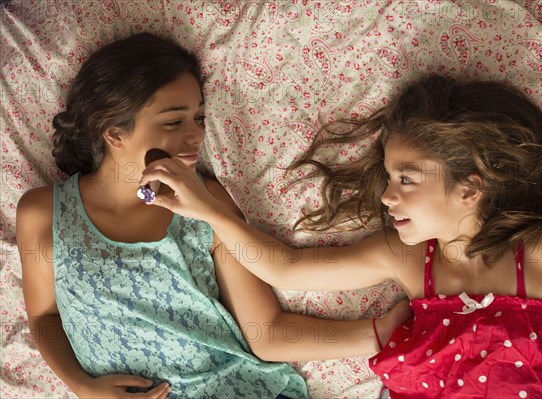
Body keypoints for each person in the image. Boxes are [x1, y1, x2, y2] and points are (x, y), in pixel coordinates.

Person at [140, 75, 542, 398]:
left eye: (406, 179)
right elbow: (285, 268)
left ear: (470, 188)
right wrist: (206, 210)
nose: (386, 196)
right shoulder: (406, 257)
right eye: (388, 177)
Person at [15, 33, 411, 399]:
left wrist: (376, 334)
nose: (196, 135)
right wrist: (83, 387)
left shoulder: (205, 202)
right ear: (114, 133)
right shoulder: (43, 213)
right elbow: (45, 317)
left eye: (199, 118)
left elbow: (265, 331)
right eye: (174, 121)